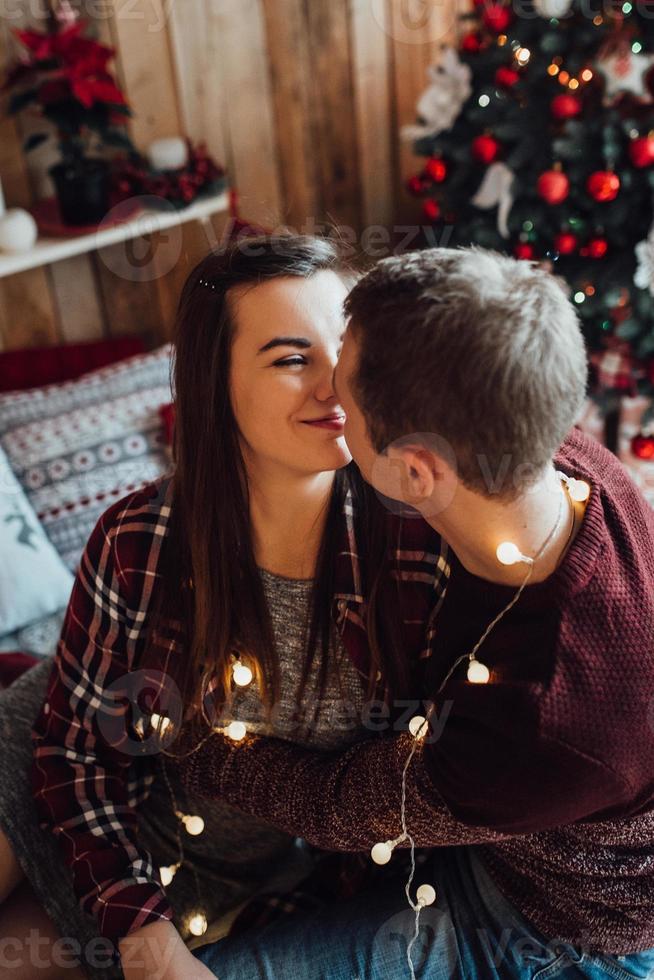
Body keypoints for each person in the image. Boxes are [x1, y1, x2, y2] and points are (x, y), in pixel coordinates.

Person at [177, 247, 654, 980]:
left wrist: (193, 742)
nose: (326, 394)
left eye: (344, 384)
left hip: (552, 925)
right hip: (497, 828)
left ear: (415, 469)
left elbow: (340, 805)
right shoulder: (533, 447)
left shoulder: (543, 721)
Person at [0, 235, 445, 980]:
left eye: (345, 345)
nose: (336, 383)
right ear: (215, 383)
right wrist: (150, 946)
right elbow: (74, 755)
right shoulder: (140, 539)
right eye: (291, 358)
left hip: (241, 880)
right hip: (97, 796)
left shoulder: (415, 538)